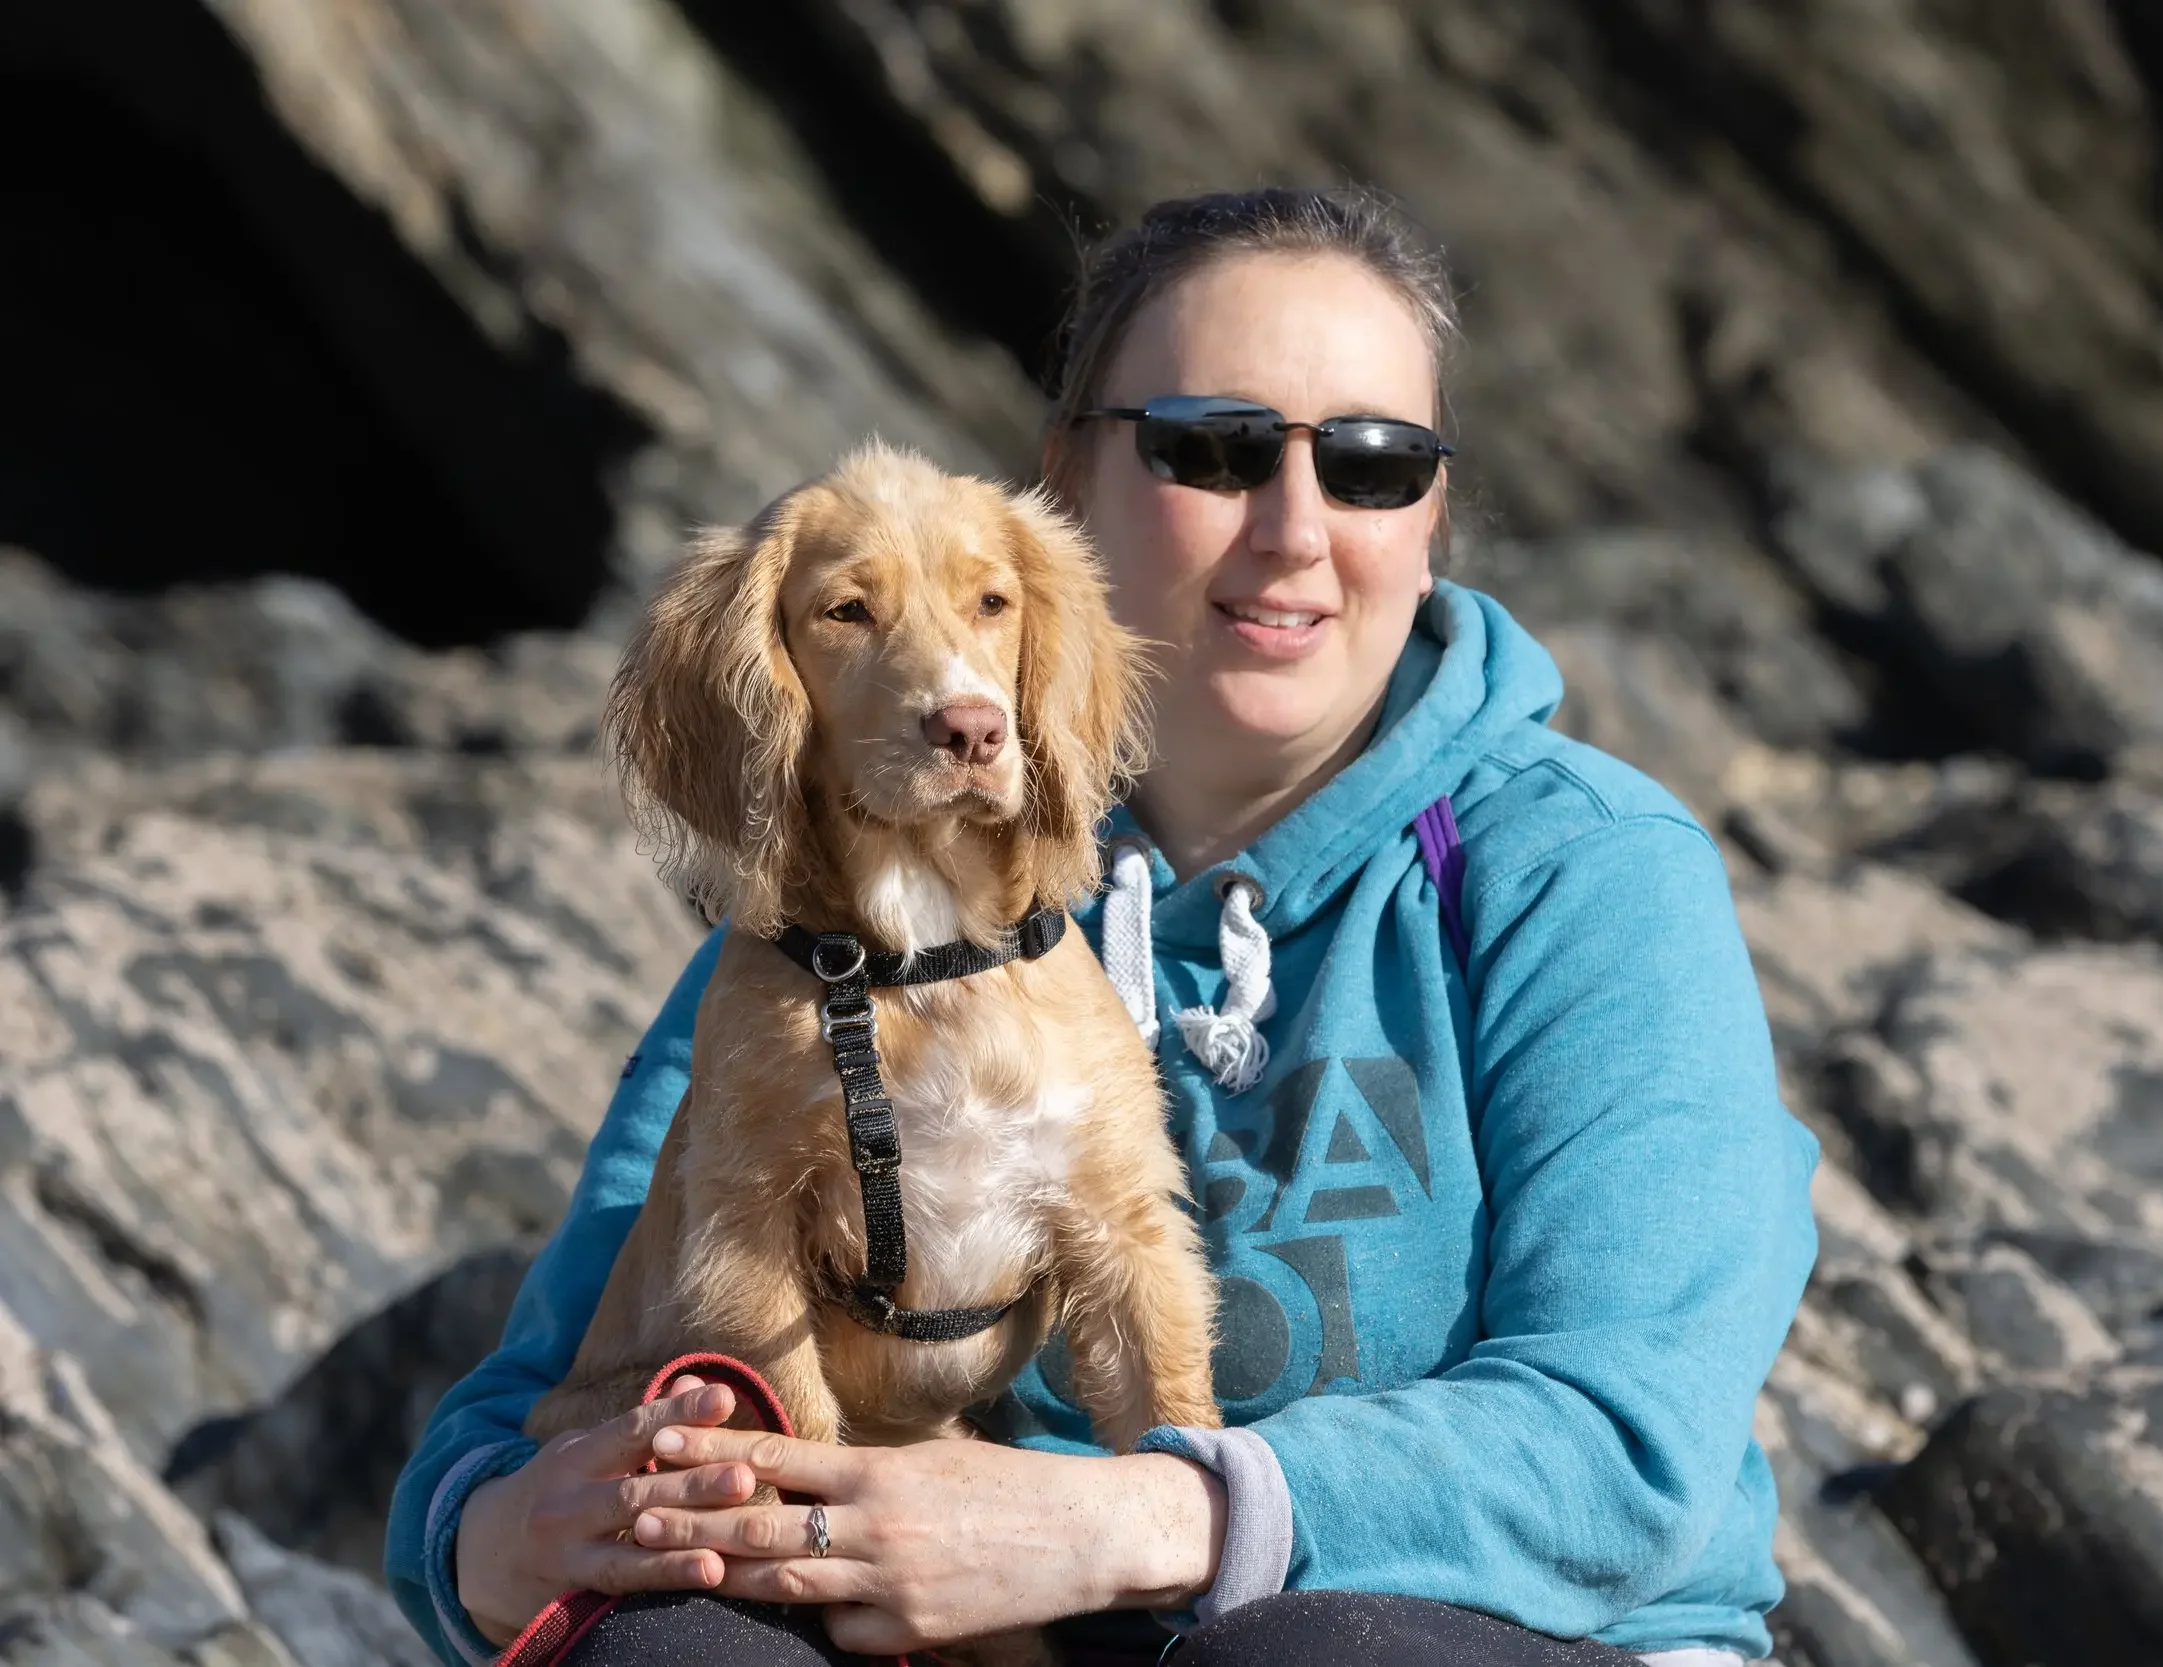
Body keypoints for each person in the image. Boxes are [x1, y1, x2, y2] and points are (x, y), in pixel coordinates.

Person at [384, 185, 1819, 1667]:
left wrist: (1119, 1522)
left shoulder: (1582, 870)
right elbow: (520, 1414)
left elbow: (1625, 1443)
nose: (1297, 527)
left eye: (1378, 465)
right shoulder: (856, 906)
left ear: (1434, 509)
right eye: (1215, 448)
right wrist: (513, 1537)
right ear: (1068, 469)